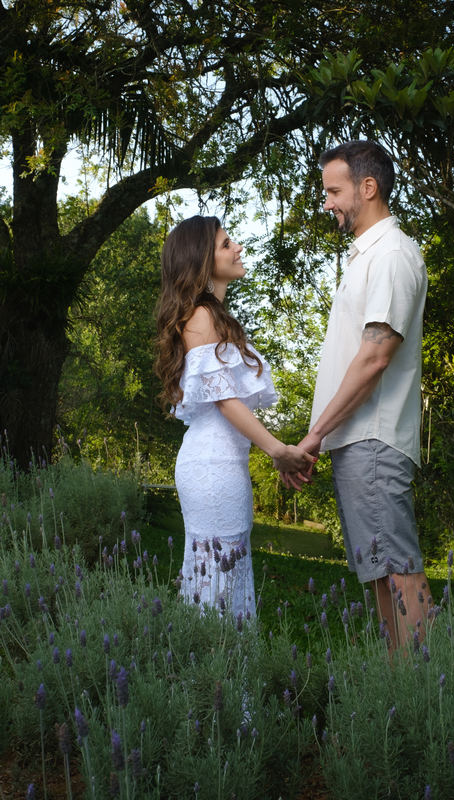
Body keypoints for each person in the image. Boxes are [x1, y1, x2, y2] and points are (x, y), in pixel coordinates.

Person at [286, 140, 432, 651]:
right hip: (356, 443)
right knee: (379, 577)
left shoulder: (392, 255)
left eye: (334, 191)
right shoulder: (366, 257)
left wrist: (314, 434)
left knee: (398, 571)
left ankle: (424, 698)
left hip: (372, 440)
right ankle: (402, 686)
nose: (327, 203)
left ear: (368, 188)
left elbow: (374, 357)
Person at [155, 215, 314, 623]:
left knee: (221, 578)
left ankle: (214, 679)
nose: (239, 247)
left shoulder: (212, 317)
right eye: (227, 244)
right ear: (202, 260)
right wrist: (279, 451)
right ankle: (213, 679)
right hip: (212, 467)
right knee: (218, 583)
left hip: (222, 463)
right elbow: (225, 401)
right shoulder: (203, 318)